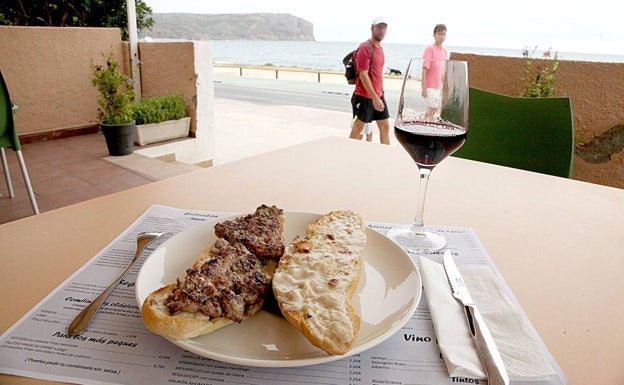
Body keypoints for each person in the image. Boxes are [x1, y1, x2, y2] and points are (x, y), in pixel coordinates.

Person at [349, 17, 390, 145]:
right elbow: (363, 75)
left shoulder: (381, 49)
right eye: (379, 27)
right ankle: (347, 155)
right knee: (358, 130)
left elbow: (378, 73)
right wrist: (375, 98)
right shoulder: (364, 48)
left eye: (384, 27)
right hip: (363, 96)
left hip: (378, 95)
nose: (382, 30)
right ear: (372, 28)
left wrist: (381, 93)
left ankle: (387, 156)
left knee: (385, 127)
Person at [422, 24, 448, 118]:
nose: (442, 36)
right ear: (434, 35)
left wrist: (444, 87)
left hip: (438, 86)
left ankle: (425, 122)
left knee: (434, 108)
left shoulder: (444, 51)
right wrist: (424, 88)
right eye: (440, 34)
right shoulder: (430, 49)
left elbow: (443, 70)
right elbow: (424, 69)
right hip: (430, 85)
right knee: (433, 107)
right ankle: (425, 122)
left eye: (444, 34)